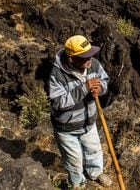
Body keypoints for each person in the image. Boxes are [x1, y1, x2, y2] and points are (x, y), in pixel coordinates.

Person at [48, 35, 112, 189]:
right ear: (71, 58)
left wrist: (100, 88)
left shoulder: (94, 64)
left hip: (88, 123)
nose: (89, 59)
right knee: (74, 160)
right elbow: (58, 102)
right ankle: (77, 183)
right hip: (67, 129)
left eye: (90, 54)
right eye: (84, 57)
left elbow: (105, 80)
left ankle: (95, 173)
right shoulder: (57, 75)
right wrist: (83, 88)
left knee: (94, 150)